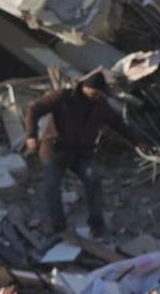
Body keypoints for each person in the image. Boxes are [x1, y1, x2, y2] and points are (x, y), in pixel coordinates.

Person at [23, 69, 148, 238]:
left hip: (81, 153)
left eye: (99, 93)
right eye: (94, 92)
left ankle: (97, 225)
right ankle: (58, 226)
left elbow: (118, 123)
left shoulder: (100, 104)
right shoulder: (63, 97)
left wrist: (136, 141)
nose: (97, 95)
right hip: (55, 149)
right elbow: (34, 110)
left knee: (93, 180)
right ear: (85, 87)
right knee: (52, 186)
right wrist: (31, 135)